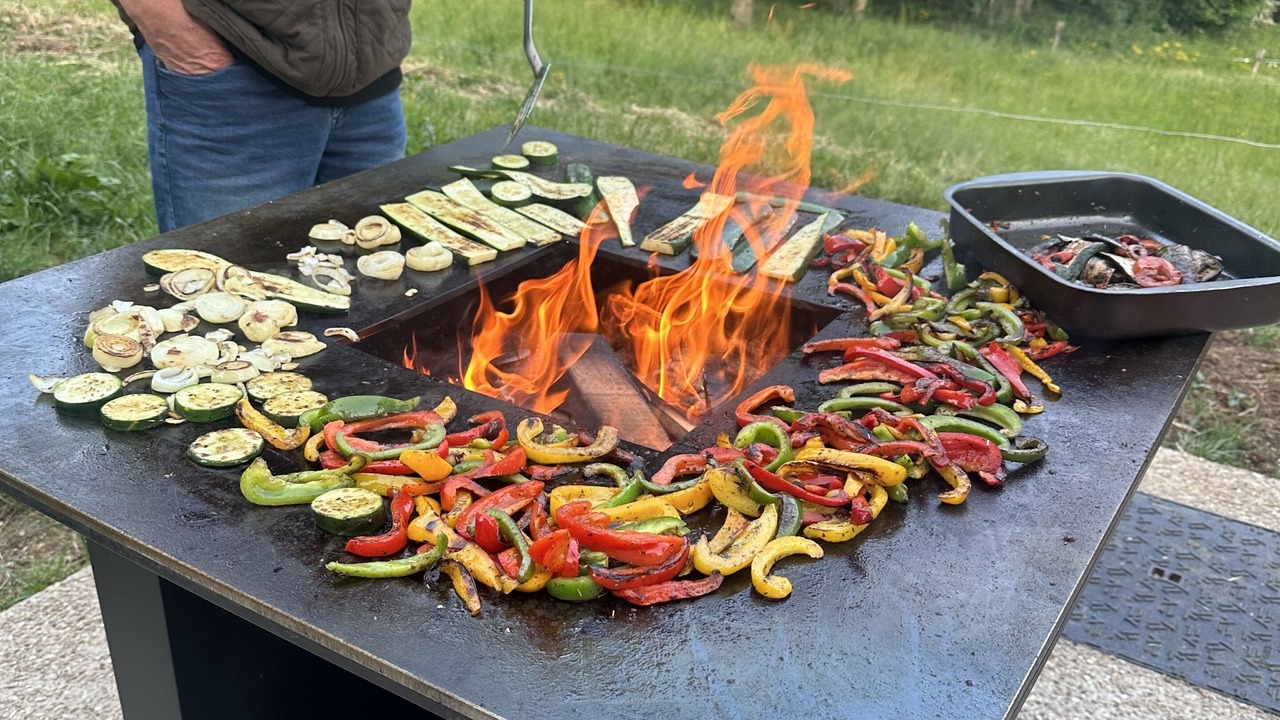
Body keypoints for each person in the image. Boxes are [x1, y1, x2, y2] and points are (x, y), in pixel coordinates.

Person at [109, 0, 413, 233]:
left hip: (375, 75)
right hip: (233, 72)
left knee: (377, 293)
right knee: (228, 296)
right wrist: (175, 32)